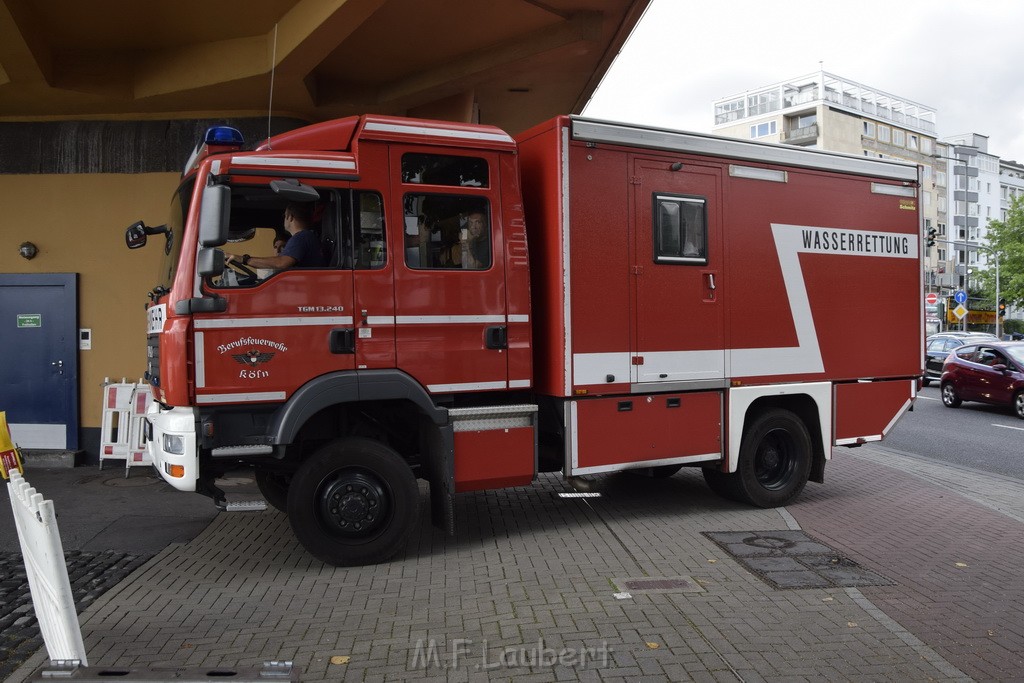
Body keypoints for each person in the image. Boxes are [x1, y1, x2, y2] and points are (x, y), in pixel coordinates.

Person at [226, 202, 325, 271]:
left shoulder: (301, 238)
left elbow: (281, 263)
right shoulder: (308, 236)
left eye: (284, 216)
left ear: (290, 217)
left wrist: (244, 259)